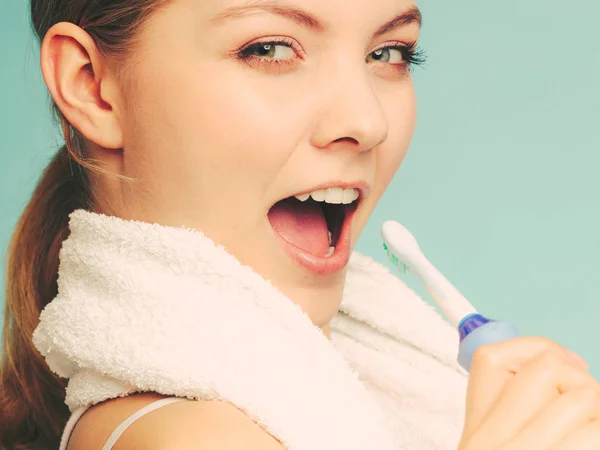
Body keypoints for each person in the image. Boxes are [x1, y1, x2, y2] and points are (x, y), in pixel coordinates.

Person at [1, 0, 599, 448]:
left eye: (389, 53)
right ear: (91, 87)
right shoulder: (186, 437)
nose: (367, 122)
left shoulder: (364, 372)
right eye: (269, 49)